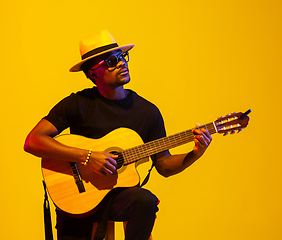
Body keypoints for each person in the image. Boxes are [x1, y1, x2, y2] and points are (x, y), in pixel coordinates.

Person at [24, 30, 212, 240]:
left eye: (123, 57)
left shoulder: (147, 112)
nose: (122, 63)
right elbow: (33, 141)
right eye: (112, 61)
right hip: (78, 199)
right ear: (93, 73)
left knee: (145, 201)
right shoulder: (77, 104)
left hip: (121, 198)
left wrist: (195, 153)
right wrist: (87, 156)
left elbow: (164, 165)